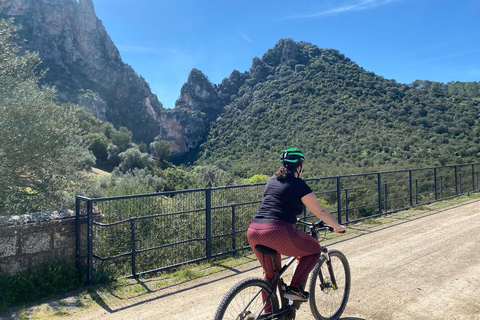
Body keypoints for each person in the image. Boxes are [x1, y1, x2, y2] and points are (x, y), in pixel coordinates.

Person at [247, 148, 347, 302]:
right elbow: (319, 211)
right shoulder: (298, 184)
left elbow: (276, 204)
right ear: (299, 167)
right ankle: (294, 289)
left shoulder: (272, 180)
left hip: (254, 231)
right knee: (314, 250)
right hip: (277, 231)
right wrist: (337, 226)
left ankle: (269, 315)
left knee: (271, 278)